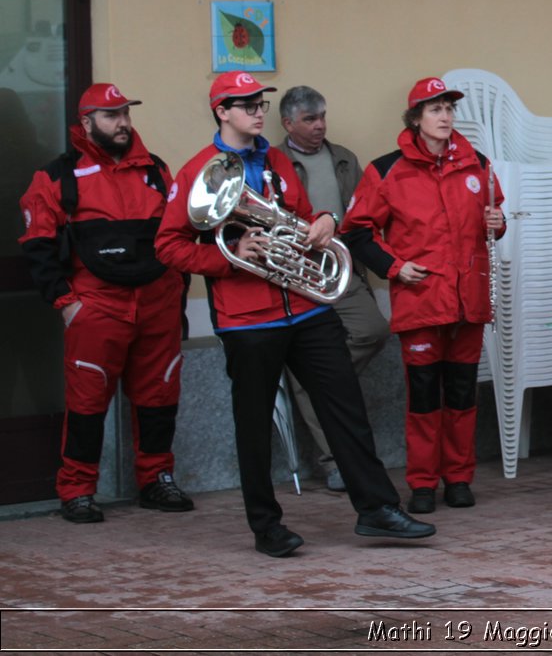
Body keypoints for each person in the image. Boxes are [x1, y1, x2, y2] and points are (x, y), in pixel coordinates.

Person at [156, 71, 434, 556]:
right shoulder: (198, 171)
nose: (257, 111)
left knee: (346, 409)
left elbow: (302, 216)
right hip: (248, 320)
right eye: (245, 104)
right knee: (253, 425)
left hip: (306, 308)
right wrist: (228, 255)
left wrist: (325, 220)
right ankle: (267, 528)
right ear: (222, 111)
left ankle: (378, 510)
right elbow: (168, 246)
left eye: (260, 102)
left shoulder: (278, 159)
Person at [19, 83, 193, 523]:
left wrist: (177, 296)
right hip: (96, 306)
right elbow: (37, 245)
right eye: (111, 115)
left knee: (159, 398)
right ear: (86, 123)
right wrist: (67, 303)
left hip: (158, 303)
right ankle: (77, 490)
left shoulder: (156, 170)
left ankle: (156, 481)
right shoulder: (56, 176)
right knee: (86, 403)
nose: (122, 123)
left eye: (125, 114)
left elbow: (179, 235)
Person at [343, 77, 506, 514]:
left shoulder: (479, 165)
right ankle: (421, 483)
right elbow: (357, 231)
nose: (445, 117)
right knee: (424, 396)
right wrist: (395, 268)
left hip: (469, 298)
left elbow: (494, 219)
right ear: (415, 118)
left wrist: (499, 222)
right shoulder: (386, 169)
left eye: (449, 109)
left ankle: (458, 478)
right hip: (421, 299)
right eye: (435, 110)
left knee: (461, 394)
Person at [276, 86, 390, 493]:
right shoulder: (274, 163)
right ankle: (333, 462)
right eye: (309, 119)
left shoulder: (344, 158)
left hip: (342, 269)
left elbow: (364, 213)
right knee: (310, 370)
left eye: (322, 116)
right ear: (289, 123)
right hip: (294, 273)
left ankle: (323, 376)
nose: (319, 125)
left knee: (374, 329)